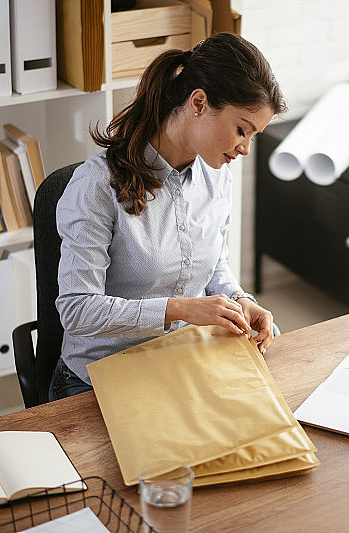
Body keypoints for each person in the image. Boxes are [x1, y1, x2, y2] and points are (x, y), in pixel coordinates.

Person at [49, 33, 286, 401]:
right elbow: (78, 309)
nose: (245, 148)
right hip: (96, 382)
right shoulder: (95, 185)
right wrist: (181, 309)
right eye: (242, 129)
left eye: (254, 135)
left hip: (176, 366)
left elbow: (213, 264)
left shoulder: (217, 173)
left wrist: (239, 298)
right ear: (199, 102)